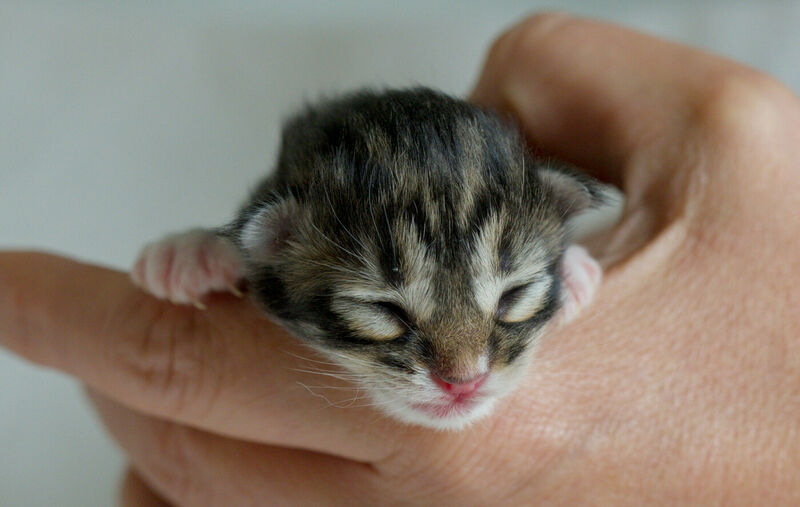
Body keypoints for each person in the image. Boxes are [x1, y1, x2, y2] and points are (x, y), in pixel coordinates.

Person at [2, 13, 799, 505]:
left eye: (514, 300)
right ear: (274, 248)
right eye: (386, 312)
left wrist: (557, 277)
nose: (463, 369)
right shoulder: (276, 239)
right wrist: (212, 253)